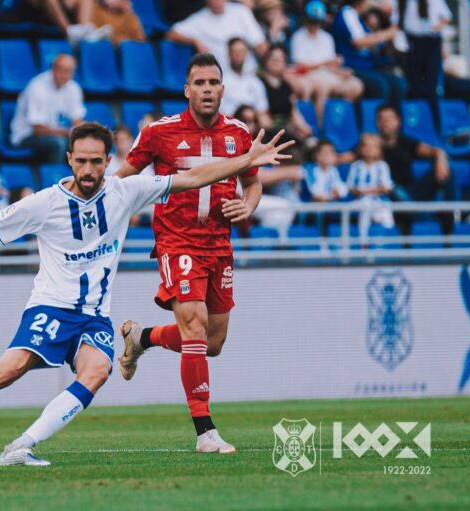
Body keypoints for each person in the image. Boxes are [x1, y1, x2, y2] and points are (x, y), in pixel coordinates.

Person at [0, 121, 292, 468]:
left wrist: (245, 161)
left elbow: (194, 177)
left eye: (96, 161)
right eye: (81, 161)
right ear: (69, 159)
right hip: (51, 306)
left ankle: (20, 447)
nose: (88, 169)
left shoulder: (125, 192)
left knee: (96, 372)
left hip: (93, 316)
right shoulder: (44, 203)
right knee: (9, 369)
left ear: (109, 163)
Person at [115, 53, 264, 453]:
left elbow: (253, 184)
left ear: (222, 89)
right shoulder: (159, 132)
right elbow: (122, 179)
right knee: (194, 324)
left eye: (213, 82)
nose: (207, 89)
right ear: (187, 89)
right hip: (176, 241)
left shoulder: (238, 134)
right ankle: (205, 432)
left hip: (219, 245)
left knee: (211, 343)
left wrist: (248, 206)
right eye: (199, 83)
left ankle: (141, 338)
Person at [375, 104, 455, 235]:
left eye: (389, 118)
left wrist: (440, 157)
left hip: (412, 193)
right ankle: (431, 215)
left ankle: (449, 216)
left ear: (398, 121)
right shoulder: (371, 146)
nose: (385, 122)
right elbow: (346, 157)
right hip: (390, 196)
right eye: (381, 119)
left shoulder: (406, 142)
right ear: (377, 123)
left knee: (449, 167)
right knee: (395, 190)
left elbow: (435, 151)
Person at [289, 0, 364, 126]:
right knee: (323, 85)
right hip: (309, 75)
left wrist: (341, 71)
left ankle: (341, 121)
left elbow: (330, 65)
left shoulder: (327, 37)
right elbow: (300, 66)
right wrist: (326, 63)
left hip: (328, 74)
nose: (315, 25)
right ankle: (321, 125)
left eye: (318, 22)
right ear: (305, 19)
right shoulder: (298, 37)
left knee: (356, 85)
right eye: (312, 21)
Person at [10, 54, 85, 164]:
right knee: (58, 143)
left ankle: (78, 180)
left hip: (57, 134)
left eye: (68, 71)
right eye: (61, 70)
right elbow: (38, 129)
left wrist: (79, 132)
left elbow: (77, 120)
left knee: (83, 142)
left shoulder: (73, 88)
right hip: (25, 136)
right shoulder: (37, 87)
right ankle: (55, 178)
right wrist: (67, 133)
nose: (64, 74)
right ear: (53, 69)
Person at [332, 0, 408, 103]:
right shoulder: (348, 13)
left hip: (369, 66)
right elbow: (358, 42)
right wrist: (386, 34)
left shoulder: (362, 18)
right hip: (352, 65)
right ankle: (373, 117)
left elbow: (376, 43)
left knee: (399, 84)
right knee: (380, 85)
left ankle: (393, 117)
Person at [167, 0, 267, 74]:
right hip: (221, 78)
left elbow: (260, 44)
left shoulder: (241, 11)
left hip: (250, 74)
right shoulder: (198, 19)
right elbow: (171, 34)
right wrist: (194, 41)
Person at [347, 133, 395, 242]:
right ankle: (363, 241)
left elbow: (387, 187)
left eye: (373, 146)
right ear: (360, 149)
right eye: (366, 146)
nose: (370, 149)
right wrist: (362, 191)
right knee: (364, 206)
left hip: (378, 201)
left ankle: (386, 241)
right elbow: (350, 187)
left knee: (385, 213)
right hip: (360, 201)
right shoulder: (355, 166)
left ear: (379, 150)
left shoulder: (382, 166)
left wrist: (371, 191)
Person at [258, 45, 313, 140]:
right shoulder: (258, 83)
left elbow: (294, 111)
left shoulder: (286, 85)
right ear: (266, 60)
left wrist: (304, 128)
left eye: (280, 59)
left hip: (287, 130)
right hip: (268, 132)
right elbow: (263, 119)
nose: (276, 61)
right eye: (272, 58)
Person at [219, 38, 271, 130]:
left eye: (241, 51)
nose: (238, 54)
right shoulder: (221, 82)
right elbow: (219, 113)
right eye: (235, 51)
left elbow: (262, 110)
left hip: (254, 125)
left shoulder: (255, 82)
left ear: (246, 53)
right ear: (229, 54)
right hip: (230, 127)